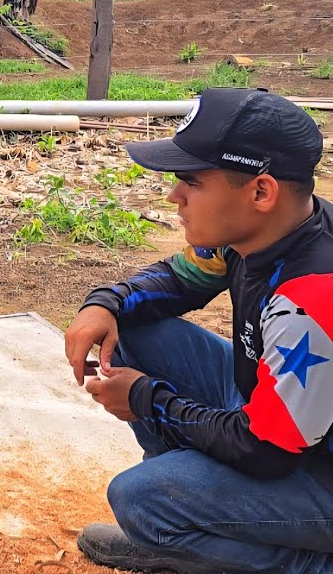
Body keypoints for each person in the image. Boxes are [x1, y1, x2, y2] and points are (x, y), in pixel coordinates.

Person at [63, 88, 333, 573]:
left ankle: (302, 563)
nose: (174, 196)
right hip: (283, 418)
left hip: (311, 464)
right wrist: (105, 303)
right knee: (131, 331)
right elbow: (177, 280)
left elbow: (266, 452)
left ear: (260, 192)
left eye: (192, 182)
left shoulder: (312, 296)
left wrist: (148, 398)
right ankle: (187, 530)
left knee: (142, 500)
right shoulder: (260, 232)